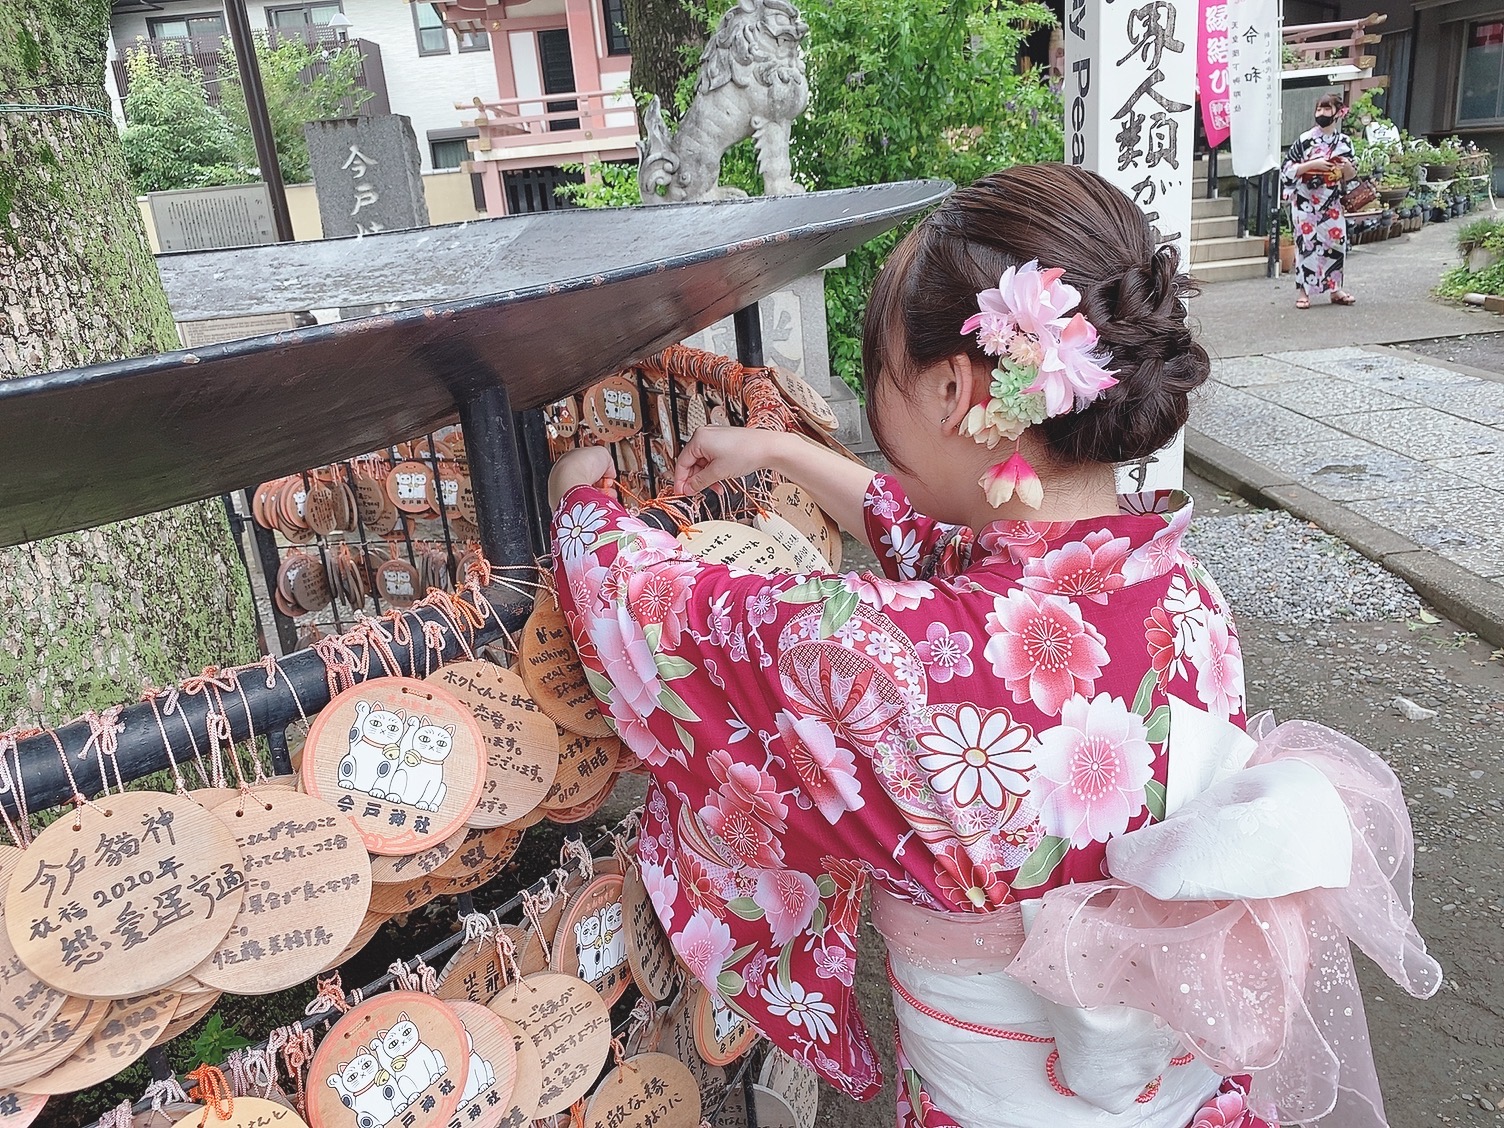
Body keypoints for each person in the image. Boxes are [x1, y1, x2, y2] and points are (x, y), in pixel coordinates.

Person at [546, 164, 1439, 1128]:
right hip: (1187, 1100)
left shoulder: (877, 659)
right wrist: (783, 453)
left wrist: (582, 502)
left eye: (879, 373)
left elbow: (648, 606)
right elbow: (967, 567)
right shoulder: (1179, 590)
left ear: (950, 386)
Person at [1282, 93, 1359, 308]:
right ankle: (1303, 291)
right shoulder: (1305, 139)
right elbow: (1287, 168)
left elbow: (1353, 173)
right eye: (1319, 109)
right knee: (1306, 244)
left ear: (1338, 113)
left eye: (1326, 109)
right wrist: (1312, 165)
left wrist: (1346, 169)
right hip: (1306, 200)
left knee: (1335, 243)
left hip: (1332, 201)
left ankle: (1335, 288)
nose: (1322, 114)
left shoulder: (1344, 142)